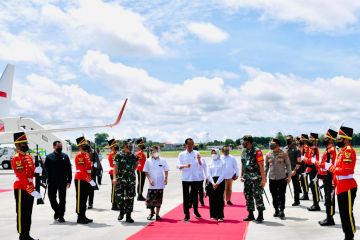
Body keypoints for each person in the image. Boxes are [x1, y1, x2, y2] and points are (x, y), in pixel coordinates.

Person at [325, 126, 357, 240]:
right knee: (343, 214)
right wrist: (334, 182)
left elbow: (345, 171)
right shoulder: (342, 151)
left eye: (340, 138)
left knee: (347, 213)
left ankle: (350, 235)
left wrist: (331, 168)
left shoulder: (348, 151)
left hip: (348, 186)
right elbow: (339, 170)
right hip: (341, 186)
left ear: (347, 139)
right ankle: (346, 235)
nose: (338, 140)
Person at [11, 132, 41, 240]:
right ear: (17, 145)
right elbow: (22, 175)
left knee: (28, 213)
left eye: (26, 143)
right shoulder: (17, 158)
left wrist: (38, 172)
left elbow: (31, 173)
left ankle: (27, 235)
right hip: (21, 188)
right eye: (23, 143)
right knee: (21, 213)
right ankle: (22, 236)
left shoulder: (28, 157)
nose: (26, 145)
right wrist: (31, 190)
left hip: (29, 187)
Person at [44, 141, 72, 223]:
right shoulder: (49, 157)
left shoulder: (65, 156)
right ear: (54, 147)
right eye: (58, 146)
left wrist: (69, 180)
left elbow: (69, 169)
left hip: (63, 181)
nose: (60, 148)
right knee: (51, 198)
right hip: (52, 181)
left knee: (62, 199)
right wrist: (44, 180)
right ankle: (57, 210)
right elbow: (45, 170)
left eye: (61, 146)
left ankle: (61, 216)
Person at [240, 135, 266, 223]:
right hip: (247, 178)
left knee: (257, 196)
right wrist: (241, 175)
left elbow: (261, 165)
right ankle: (250, 214)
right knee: (248, 196)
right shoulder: (244, 151)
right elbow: (242, 164)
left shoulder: (257, 151)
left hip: (256, 179)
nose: (243, 143)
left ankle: (260, 215)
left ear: (249, 142)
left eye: (244, 141)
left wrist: (263, 179)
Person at [176, 138, 203, 222]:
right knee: (186, 197)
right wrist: (184, 166)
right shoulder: (181, 154)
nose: (190, 146)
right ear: (185, 145)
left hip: (195, 178)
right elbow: (177, 165)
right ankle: (186, 214)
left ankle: (195, 211)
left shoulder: (197, 153)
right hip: (186, 178)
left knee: (195, 196)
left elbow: (201, 165)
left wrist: (199, 160)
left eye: (192, 144)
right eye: (189, 144)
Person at [315, 128, 337, 226]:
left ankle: (330, 218)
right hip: (327, 176)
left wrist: (319, 163)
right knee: (328, 197)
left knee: (330, 198)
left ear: (331, 139)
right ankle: (328, 217)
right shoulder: (328, 149)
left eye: (327, 138)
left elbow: (330, 164)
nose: (324, 139)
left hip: (331, 176)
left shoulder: (331, 150)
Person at [265, 138, 292, 219]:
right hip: (272, 178)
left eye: (273, 144)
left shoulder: (284, 153)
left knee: (281, 195)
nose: (271, 145)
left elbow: (288, 165)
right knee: (274, 195)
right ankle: (276, 209)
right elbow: (266, 167)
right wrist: (264, 177)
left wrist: (289, 176)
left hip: (282, 178)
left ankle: (282, 210)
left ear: (277, 145)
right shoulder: (268, 154)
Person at [113, 139, 138, 223]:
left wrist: (129, 173)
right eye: (128, 145)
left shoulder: (133, 155)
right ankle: (121, 211)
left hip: (130, 180)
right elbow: (115, 167)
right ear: (124, 146)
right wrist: (114, 177)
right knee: (118, 197)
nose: (130, 146)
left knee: (130, 198)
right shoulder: (118, 155)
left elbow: (135, 166)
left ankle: (128, 216)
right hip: (120, 179)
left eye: (130, 145)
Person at [74, 136, 97, 224]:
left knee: (85, 198)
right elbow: (82, 169)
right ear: (79, 146)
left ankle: (83, 215)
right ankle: (80, 217)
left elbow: (88, 167)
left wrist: (93, 167)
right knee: (80, 198)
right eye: (84, 145)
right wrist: (89, 179)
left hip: (86, 179)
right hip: (81, 179)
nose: (86, 146)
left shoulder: (86, 154)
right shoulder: (79, 155)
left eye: (86, 144)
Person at [143, 146, 169, 221]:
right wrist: (150, 180)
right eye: (153, 152)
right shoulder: (148, 161)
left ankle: (157, 214)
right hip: (152, 184)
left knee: (158, 200)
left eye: (156, 151)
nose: (155, 153)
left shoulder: (163, 160)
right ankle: (151, 213)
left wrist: (166, 179)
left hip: (160, 184)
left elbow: (166, 170)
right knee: (150, 200)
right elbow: (146, 171)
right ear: (151, 153)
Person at [207, 149, 226, 222]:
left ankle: (220, 215)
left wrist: (217, 183)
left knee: (219, 199)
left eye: (215, 153)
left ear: (218, 153)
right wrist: (213, 182)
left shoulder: (222, 162)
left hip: (220, 181)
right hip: (212, 181)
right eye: (212, 153)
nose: (213, 154)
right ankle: (214, 215)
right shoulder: (210, 162)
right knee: (212, 199)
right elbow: (208, 173)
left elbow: (223, 174)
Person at [304, 132, 321, 211]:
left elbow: (312, 160)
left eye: (311, 138)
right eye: (309, 137)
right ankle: (315, 203)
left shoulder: (314, 148)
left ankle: (316, 204)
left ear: (314, 139)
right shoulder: (311, 148)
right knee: (313, 187)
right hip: (311, 169)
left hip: (314, 169)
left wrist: (305, 159)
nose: (309, 139)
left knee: (314, 187)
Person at [283, 135, 302, 206]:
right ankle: (282, 202)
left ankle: (297, 201)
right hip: (285, 171)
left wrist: (295, 170)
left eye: (289, 139)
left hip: (294, 171)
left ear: (292, 140)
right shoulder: (284, 149)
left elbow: (299, 161)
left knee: (296, 186)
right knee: (283, 187)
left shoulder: (297, 149)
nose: (288, 141)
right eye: (287, 139)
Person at [87, 141, 100, 209]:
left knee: (91, 189)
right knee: (84, 190)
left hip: (92, 173)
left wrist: (96, 172)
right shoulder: (83, 152)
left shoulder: (93, 152)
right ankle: (84, 202)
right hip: (84, 174)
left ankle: (90, 203)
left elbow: (97, 162)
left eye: (87, 143)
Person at [108, 139, 119, 210]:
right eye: (114, 146)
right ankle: (113, 204)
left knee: (117, 189)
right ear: (111, 147)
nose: (116, 147)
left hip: (118, 172)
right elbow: (113, 164)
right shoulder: (111, 155)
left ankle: (117, 203)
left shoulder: (117, 154)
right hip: (113, 173)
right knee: (114, 188)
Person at [299, 134, 310, 201]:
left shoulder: (306, 147)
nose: (300, 139)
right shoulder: (303, 147)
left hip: (305, 165)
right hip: (302, 165)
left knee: (305, 180)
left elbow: (305, 156)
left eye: (302, 138)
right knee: (303, 180)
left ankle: (306, 194)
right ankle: (304, 193)